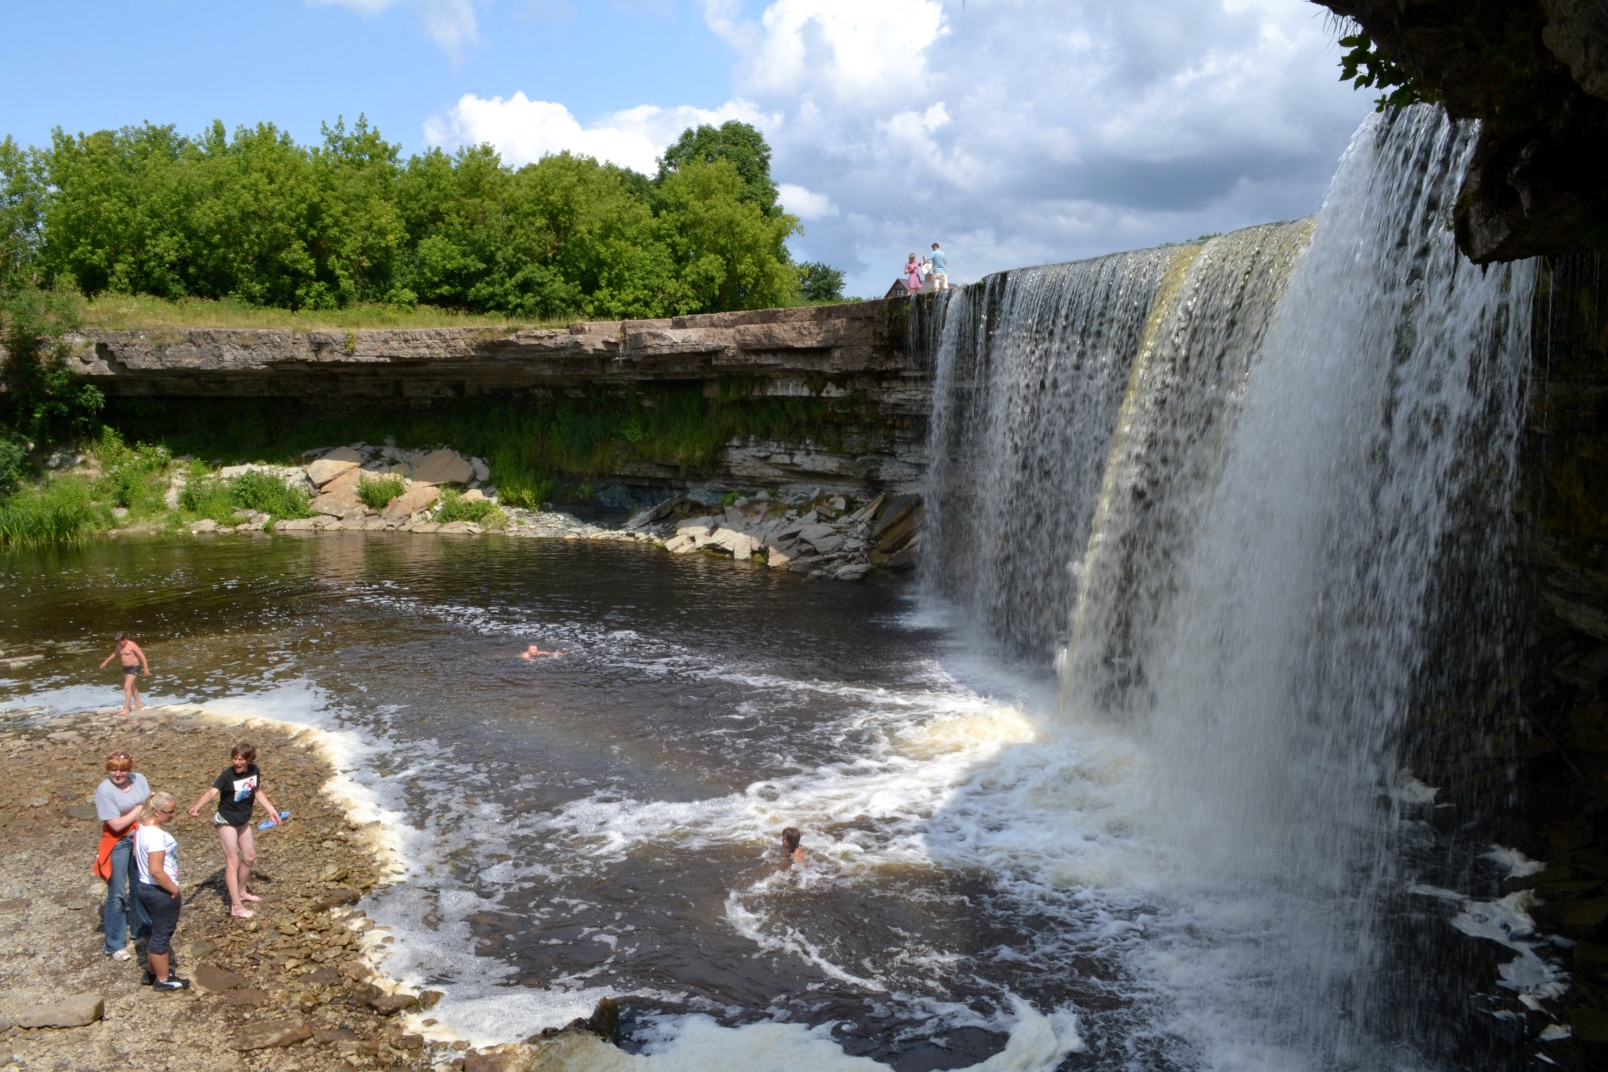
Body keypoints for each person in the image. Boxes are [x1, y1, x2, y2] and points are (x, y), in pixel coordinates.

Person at [187, 742, 282, 919]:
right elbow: (212, 792)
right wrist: (197, 806)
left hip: (243, 819)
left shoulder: (254, 770)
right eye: (234, 758)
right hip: (226, 820)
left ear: (249, 759)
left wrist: (270, 809)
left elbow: (257, 791)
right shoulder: (227, 776)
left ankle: (242, 892)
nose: (237, 763)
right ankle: (236, 906)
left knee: (249, 857)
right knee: (233, 861)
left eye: (240, 759)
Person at [94, 751, 151, 960]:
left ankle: (140, 931)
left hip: (139, 837)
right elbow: (116, 824)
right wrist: (138, 810)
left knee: (139, 886)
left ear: (130, 769)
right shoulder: (104, 791)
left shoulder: (140, 779)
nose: (118, 774)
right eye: (114, 770)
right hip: (117, 842)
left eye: (122, 769)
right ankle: (114, 944)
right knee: (117, 894)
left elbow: (149, 808)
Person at [134, 791, 189, 990]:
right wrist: (173, 889)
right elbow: (156, 870)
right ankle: (163, 979)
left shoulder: (142, 828)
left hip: (144, 887)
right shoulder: (157, 836)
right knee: (162, 935)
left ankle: (152, 972)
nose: (173, 815)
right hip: (160, 891)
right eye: (170, 812)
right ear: (157, 812)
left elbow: (136, 854)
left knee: (155, 931)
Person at [98, 632, 149, 715]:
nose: (120, 644)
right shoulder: (119, 645)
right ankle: (138, 704)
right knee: (132, 686)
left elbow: (142, 656)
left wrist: (146, 669)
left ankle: (126, 708)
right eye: (118, 643)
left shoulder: (132, 645)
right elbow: (115, 654)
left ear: (125, 639)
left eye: (121, 642)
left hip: (134, 667)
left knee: (126, 686)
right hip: (126, 668)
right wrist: (105, 662)